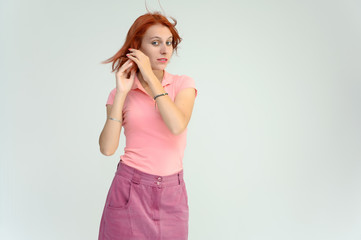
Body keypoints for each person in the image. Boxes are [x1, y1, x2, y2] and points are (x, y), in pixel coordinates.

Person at [97, 11, 197, 240]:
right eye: (155, 43)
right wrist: (122, 93)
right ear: (137, 47)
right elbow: (107, 148)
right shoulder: (120, 92)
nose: (165, 50)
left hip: (172, 192)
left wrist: (151, 78)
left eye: (169, 43)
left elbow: (177, 125)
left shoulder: (183, 84)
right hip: (129, 188)